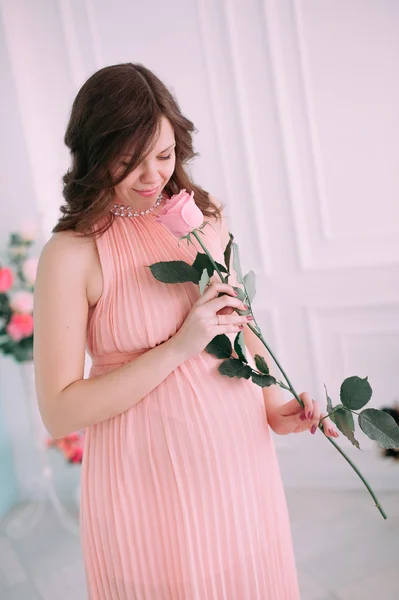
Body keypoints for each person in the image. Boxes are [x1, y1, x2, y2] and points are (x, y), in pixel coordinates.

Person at [33, 63, 338, 600]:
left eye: (165, 155)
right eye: (129, 161)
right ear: (91, 153)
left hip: (238, 467)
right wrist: (179, 347)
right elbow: (60, 410)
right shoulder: (71, 254)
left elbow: (237, 326)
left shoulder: (200, 217)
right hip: (144, 483)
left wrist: (273, 405)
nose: (153, 176)